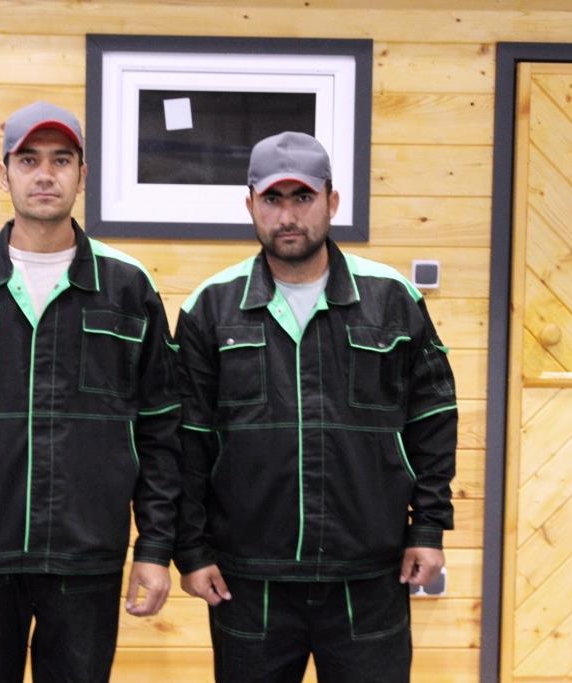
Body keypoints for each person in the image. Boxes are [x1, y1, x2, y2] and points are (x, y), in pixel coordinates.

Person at [0, 101, 182, 682]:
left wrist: (154, 547)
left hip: (87, 557)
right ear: (4, 174)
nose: (45, 174)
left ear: (82, 175)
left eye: (61, 160)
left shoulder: (127, 286)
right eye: (28, 160)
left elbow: (160, 429)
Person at [173, 131, 457, 682]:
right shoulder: (210, 307)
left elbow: (432, 421)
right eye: (272, 199)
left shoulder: (392, 299)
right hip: (248, 580)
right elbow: (188, 439)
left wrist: (428, 528)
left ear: (332, 201)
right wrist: (192, 549)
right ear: (250, 205)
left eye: (302, 197)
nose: (287, 216)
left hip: (368, 576)